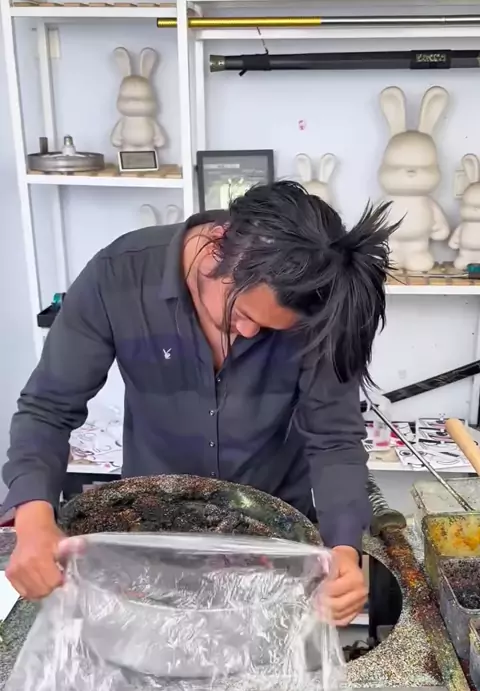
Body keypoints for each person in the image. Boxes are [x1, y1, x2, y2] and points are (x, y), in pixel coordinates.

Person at [2, 181, 394, 622]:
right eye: (241, 313)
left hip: (273, 542)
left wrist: (343, 550)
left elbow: (334, 439)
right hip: (152, 537)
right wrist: (34, 519)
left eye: (271, 329)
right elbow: (47, 408)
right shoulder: (119, 276)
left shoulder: (320, 306)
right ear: (217, 246)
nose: (249, 333)